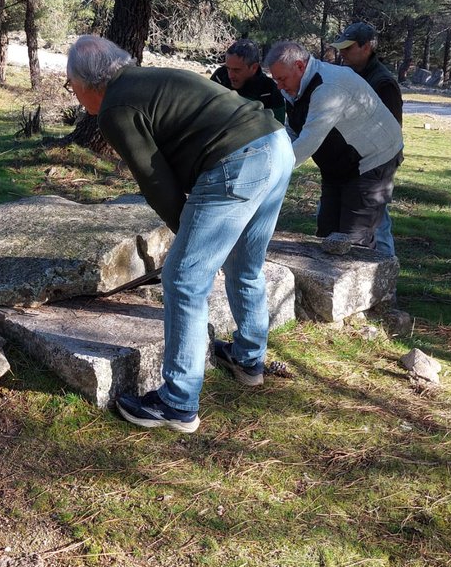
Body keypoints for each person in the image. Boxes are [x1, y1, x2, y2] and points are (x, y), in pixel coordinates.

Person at [66, 34, 294, 434]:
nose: (74, 93)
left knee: (184, 278)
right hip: (275, 144)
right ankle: (247, 358)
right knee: (245, 264)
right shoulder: (146, 79)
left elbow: (156, 181)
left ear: (86, 84)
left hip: (238, 159)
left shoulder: (116, 108)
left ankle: (177, 402)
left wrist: (185, 234)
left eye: (72, 85)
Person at [266, 39, 403, 252]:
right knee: (328, 233)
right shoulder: (294, 86)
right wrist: (267, 155)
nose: (279, 86)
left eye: (282, 79)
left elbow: (308, 140)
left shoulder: (328, 87)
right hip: (339, 162)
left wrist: (269, 173)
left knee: (354, 240)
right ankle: (326, 282)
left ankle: (379, 282)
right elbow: (293, 130)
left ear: (300, 66)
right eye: (276, 80)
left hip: (373, 159)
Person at [331, 21, 403, 257]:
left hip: (376, 164)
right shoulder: (350, 74)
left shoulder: (383, 83)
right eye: (341, 47)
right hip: (352, 162)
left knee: (377, 227)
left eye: (348, 48)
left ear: (367, 47)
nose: (342, 53)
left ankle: (385, 282)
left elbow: (390, 131)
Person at [210, 39, 286, 122]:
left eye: (237, 70)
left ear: (254, 68)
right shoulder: (219, 76)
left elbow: (278, 129)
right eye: (228, 68)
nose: (230, 75)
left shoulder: (270, 91)